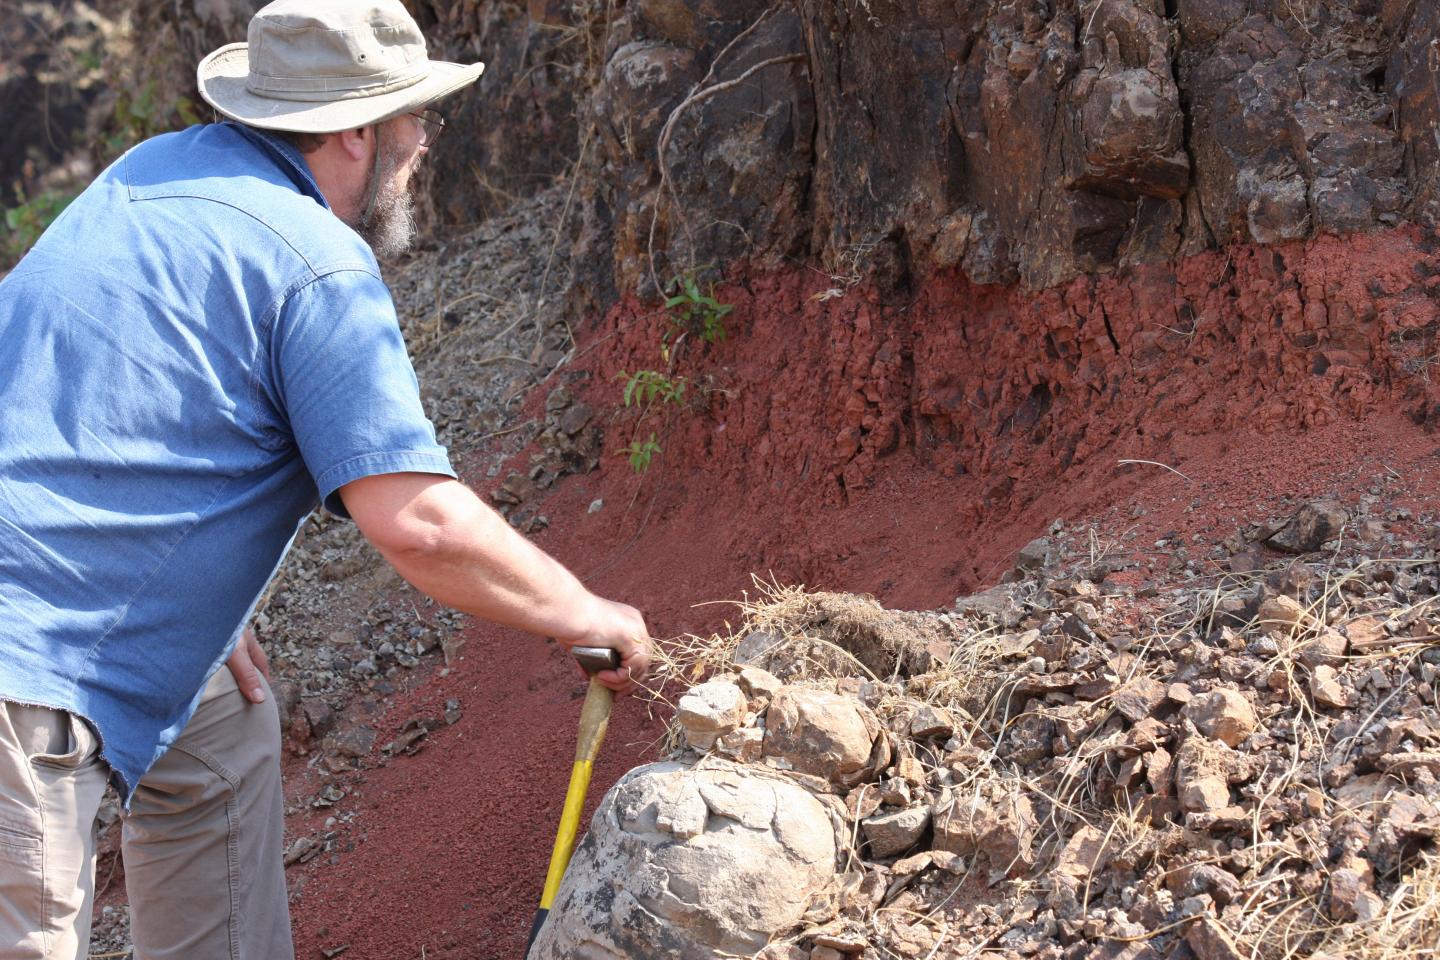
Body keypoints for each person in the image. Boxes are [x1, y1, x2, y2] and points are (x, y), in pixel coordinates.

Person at [0, 2, 651, 958]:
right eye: (417, 117)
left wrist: (180, 598)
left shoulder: (149, 173)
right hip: (25, 671)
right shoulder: (317, 266)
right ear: (357, 133)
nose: (425, 142)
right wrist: (586, 614)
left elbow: (85, 379)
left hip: (50, 597)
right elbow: (418, 523)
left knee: (222, 725)